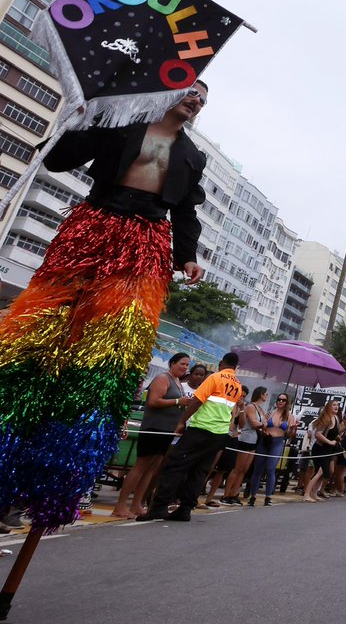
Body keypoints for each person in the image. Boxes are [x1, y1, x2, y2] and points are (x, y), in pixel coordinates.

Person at [0, 85, 209, 530]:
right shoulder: (121, 121)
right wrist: (82, 117)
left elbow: (187, 214)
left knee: (107, 359)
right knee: (38, 339)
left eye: (202, 100)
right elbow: (59, 160)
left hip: (146, 241)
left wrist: (187, 256)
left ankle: (58, 483)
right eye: (191, 92)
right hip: (94, 225)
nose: (196, 101)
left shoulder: (191, 155)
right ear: (168, 90)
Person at [138, 351, 241, 522]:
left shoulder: (215, 377)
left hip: (201, 428)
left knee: (175, 466)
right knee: (199, 472)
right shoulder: (237, 384)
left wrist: (182, 421)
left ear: (221, 363)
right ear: (235, 367)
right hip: (220, 433)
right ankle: (185, 509)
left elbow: (197, 400)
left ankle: (158, 507)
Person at [112, 352, 191, 519]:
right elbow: (154, 401)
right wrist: (178, 402)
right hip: (154, 428)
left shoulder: (178, 382)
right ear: (172, 363)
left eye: (187, 365)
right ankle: (120, 505)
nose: (185, 367)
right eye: (182, 364)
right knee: (141, 466)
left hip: (166, 430)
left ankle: (137, 504)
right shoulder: (163, 378)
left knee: (151, 469)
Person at [248, 391, 297, 506]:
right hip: (265, 440)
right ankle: (252, 496)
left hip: (278, 442)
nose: (280, 401)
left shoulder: (290, 416)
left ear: (287, 402)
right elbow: (262, 426)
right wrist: (264, 427)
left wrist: (291, 429)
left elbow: (289, 435)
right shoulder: (270, 412)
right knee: (257, 469)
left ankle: (268, 496)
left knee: (271, 469)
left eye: (283, 400)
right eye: (279, 399)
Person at [223, 386, 267, 505]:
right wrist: (263, 424)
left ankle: (234, 493)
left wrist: (262, 424)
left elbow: (264, 423)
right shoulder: (251, 407)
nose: (267, 396)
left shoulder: (260, 409)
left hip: (254, 440)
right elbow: (254, 423)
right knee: (237, 468)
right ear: (261, 394)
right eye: (265, 394)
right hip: (245, 439)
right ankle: (226, 494)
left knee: (244, 469)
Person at [303, 401, 340, 503]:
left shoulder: (336, 418)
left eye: (337, 405)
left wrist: (338, 438)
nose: (336, 406)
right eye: (334, 405)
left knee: (324, 472)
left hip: (328, 449)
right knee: (319, 471)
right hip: (320, 448)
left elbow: (334, 434)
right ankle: (306, 494)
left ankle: (314, 493)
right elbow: (318, 434)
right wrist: (330, 442)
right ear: (328, 407)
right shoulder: (326, 419)